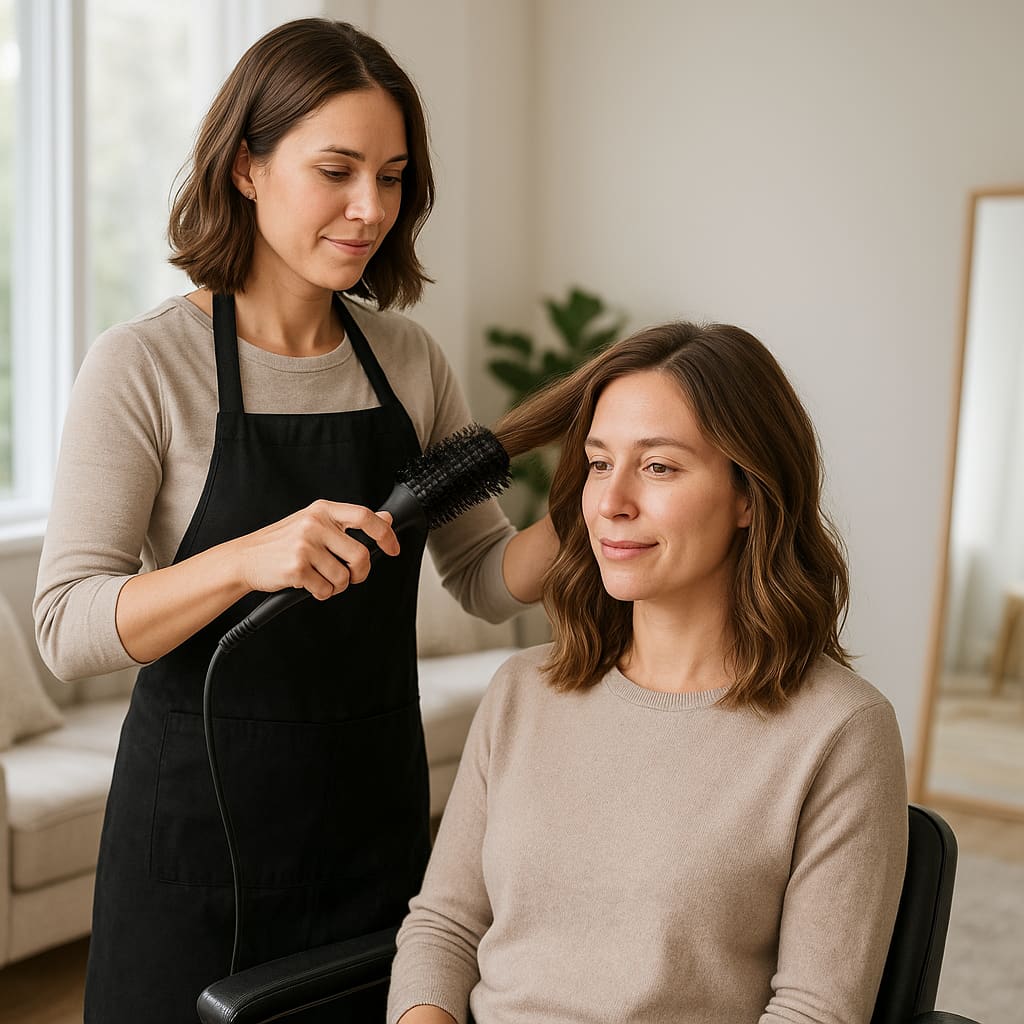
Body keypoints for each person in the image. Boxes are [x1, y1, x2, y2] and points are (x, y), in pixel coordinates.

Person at [33, 18, 557, 1023]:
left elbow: (487, 580)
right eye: (337, 169)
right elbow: (66, 626)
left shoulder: (407, 360)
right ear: (246, 167)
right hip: (191, 846)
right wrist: (243, 559)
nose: (370, 208)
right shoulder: (142, 366)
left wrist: (602, 507)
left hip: (372, 826)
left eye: (394, 176)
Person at [387, 321, 909, 1024]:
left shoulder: (839, 730)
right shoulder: (523, 691)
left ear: (750, 495)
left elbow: (814, 1011)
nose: (610, 502)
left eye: (658, 466)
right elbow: (444, 927)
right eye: (599, 464)